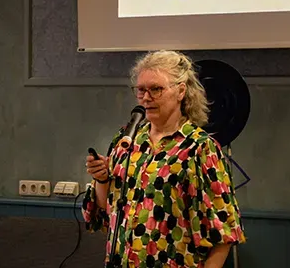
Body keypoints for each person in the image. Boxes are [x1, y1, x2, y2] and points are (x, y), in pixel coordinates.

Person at [83, 50, 246, 268]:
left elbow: (224, 231)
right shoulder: (127, 140)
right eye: (141, 90)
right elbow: (108, 209)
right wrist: (101, 179)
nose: (146, 98)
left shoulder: (199, 148)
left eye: (156, 89)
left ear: (181, 91)